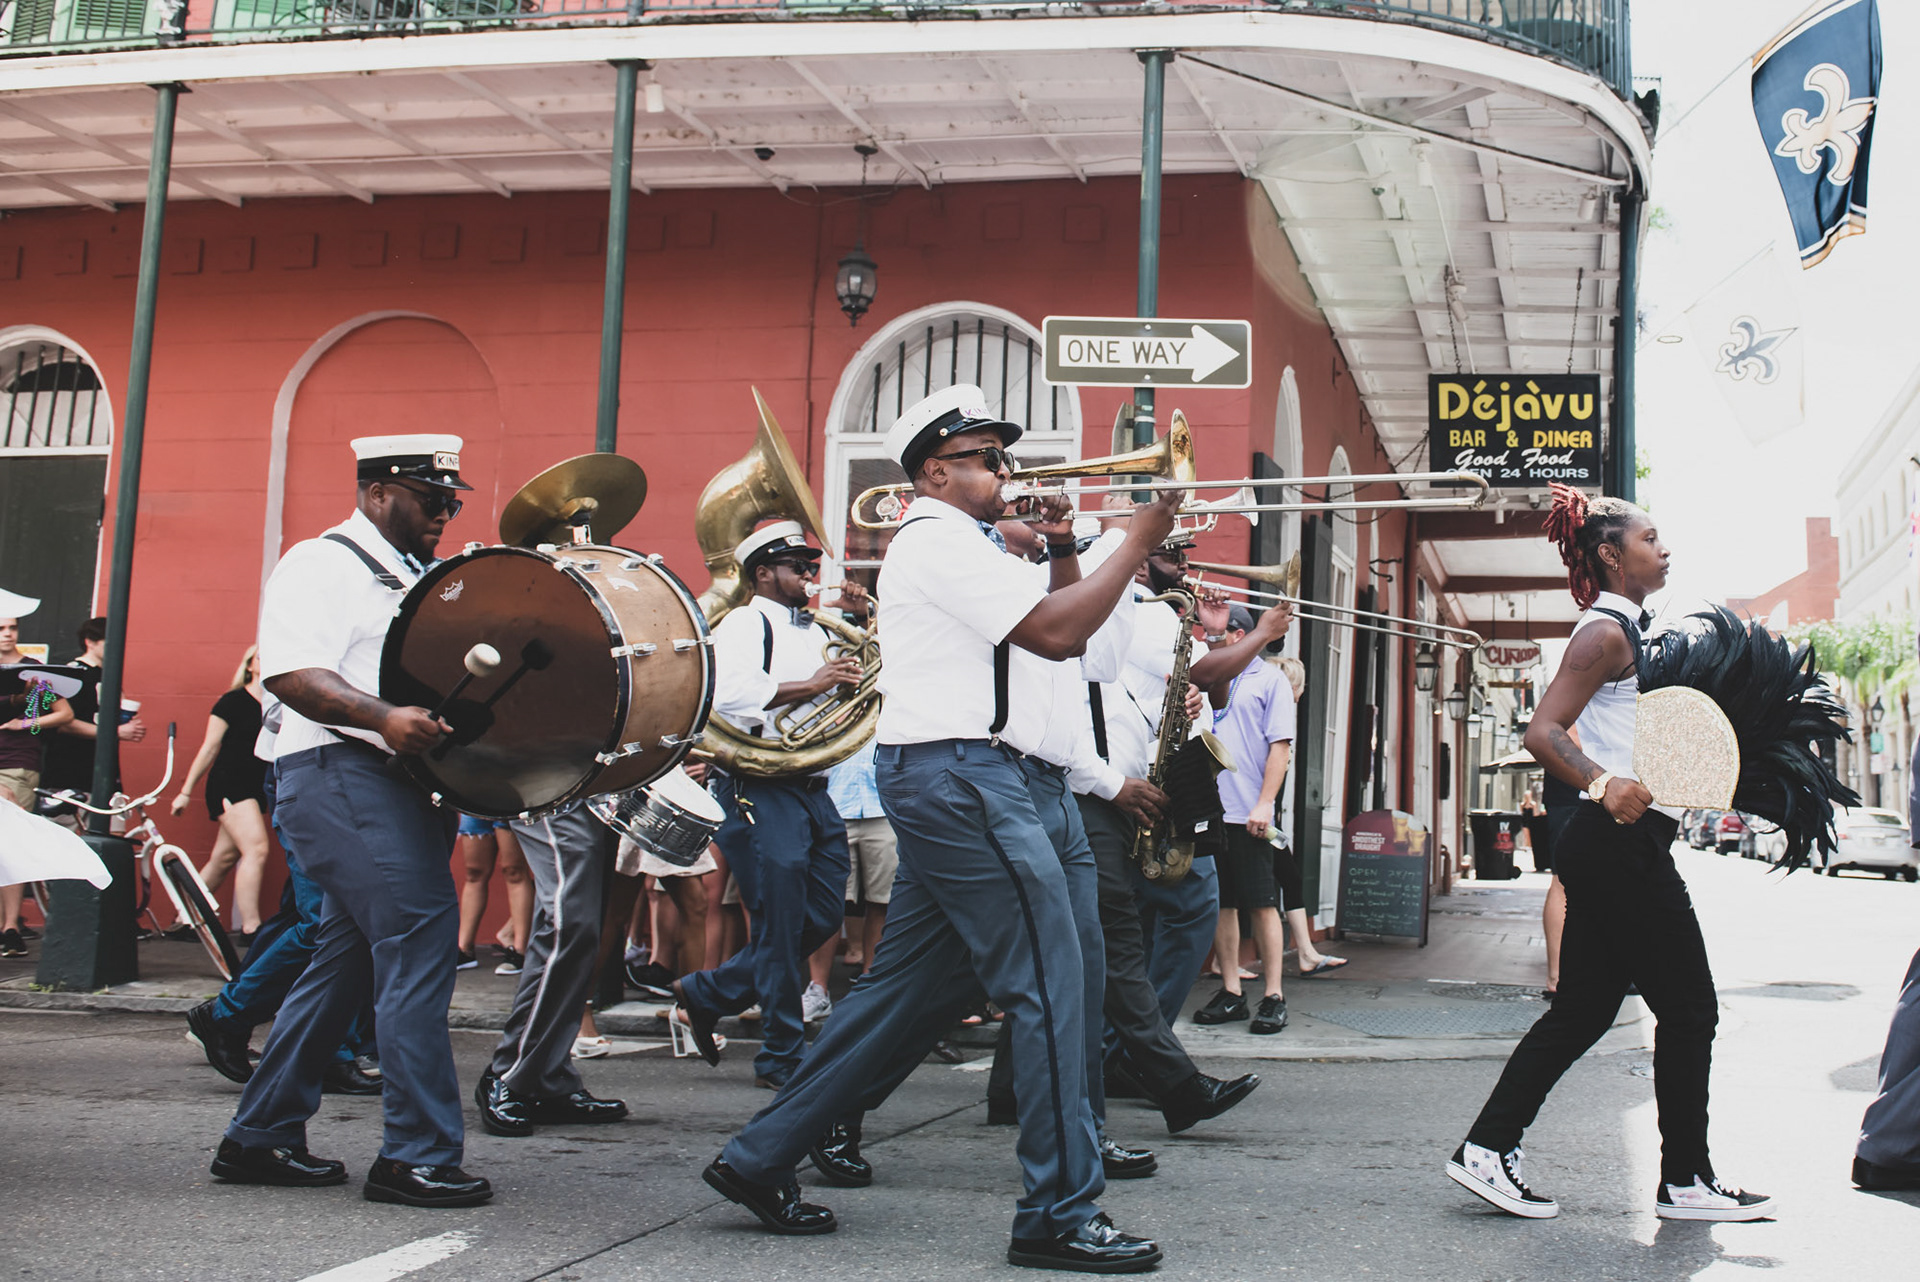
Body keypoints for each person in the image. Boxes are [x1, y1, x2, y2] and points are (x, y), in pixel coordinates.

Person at [701, 383, 1176, 1273]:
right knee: (1049, 988)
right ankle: (1057, 1214)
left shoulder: (984, 544)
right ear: (934, 472)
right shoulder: (931, 539)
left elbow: (1080, 647)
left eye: (1004, 457)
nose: (1007, 472)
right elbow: (1057, 635)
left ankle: (758, 1158)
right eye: (988, 459)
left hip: (1012, 783)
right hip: (968, 781)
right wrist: (1138, 538)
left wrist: (1073, 545)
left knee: (906, 995)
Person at [1446, 484, 1771, 1223]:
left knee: (1584, 1009)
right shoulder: (1604, 634)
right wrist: (1601, 782)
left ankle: (1486, 1149)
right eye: (1650, 537)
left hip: (1620, 842)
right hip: (1618, 840)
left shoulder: (1628, 629)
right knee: (1690, 1008)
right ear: (1610, 553)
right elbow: (1542, 731)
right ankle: (1686, 1180)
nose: (1664, 549)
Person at [210, 432, 491, 1208]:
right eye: (431, 499)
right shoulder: (322, 561)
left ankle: (259, 1136)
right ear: (376, 493)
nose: (444, 511)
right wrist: (384, 718)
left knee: (349, 959)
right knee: (421, 936)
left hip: (396, 782)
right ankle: (414, 1155)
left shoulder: (422, 576)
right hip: (338, 773)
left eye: (451, 501)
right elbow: (291, 672)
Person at [1057, 523, 1263, 1134]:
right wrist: (1111, 784)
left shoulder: (1131, 622)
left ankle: (1030, 1094)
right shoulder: (1123, 620)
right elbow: (1062, 726)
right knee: (1108, 952)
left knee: (1082, 955)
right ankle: (1163, 1087)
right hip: (1091, 801)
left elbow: (1152, 704)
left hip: (1116, 796)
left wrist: (1179, 709)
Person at [672, 520, 858, 1090]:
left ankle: (708, 992)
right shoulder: (746, 622)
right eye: (798, 567)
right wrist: (814, 683)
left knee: (823, 916)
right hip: (759, 786)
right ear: (763, 573)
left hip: (811, 788)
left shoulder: (815, 628)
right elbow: (727, 692)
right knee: (779, 926)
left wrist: (844, 680)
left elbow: (826, 693)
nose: (810, 575)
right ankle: (780, 1055)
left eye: (811, 566)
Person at [1192, 603, 1317, 1036]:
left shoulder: (1271, 680)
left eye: (1223, 634)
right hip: (1210, 807)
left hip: (1249, 808)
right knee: (1221, 903)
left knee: (1262, 903)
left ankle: (1273, 995)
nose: (1217, 640)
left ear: (1241, 634)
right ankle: (1231, 990)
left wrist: (1266, 803)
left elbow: (1280, 746)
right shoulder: (1210, 674)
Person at [471, 803, 630, 1137]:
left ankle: (548, 1079)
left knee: (583, 924)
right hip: (546, 772)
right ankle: (509, 1073)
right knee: (568, 923)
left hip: (593, 780)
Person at [171, 647, 272, 939]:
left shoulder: (276, 705)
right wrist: (185, 791)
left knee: (224, 858)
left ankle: (186, 919)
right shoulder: (233, 701)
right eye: (261, 657)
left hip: (254, 786)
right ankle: (251, 927)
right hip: (231, 784)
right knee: (256, 849)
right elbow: (209, 747)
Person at [1, 611, 74, 957]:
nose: (7, 634)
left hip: (16, 762)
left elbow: (64, 714)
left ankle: (11, 927)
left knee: (9, 842)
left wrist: (26, 723)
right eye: (1, 628)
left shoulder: (30, 671)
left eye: (12, 628)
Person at [42, 615, 148, 833]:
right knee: (63, 839)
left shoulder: (110, 677)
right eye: (109, 642)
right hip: (69, 773)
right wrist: (116, 732)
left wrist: (124, 723)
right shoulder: (71, 674)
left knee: (113, 838)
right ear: (90, 642)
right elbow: (64, 724)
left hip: (106, 777)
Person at [453, 814, 533, 975]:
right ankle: (464, 949)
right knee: (474, 872)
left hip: (509, 800)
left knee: (514, 871)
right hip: (475, 799)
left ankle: (519, 951)